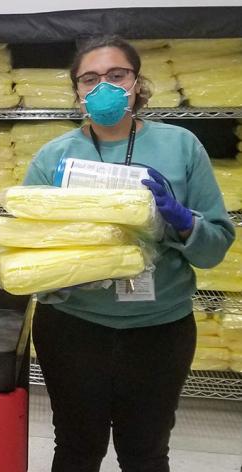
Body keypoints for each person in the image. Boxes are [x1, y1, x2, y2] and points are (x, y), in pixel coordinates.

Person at [24, 36, 235, 472]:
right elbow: (28, 250)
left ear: (137, 84)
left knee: (145, 453)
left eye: (116, 75)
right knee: (77, 450)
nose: (104, 87)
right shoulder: (54, 157)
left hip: (159, 330)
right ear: (77, 91)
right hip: (73, 328)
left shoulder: (181, 146)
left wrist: (181, 219)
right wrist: (62, 269)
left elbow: (215, 248)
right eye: (90, 78)